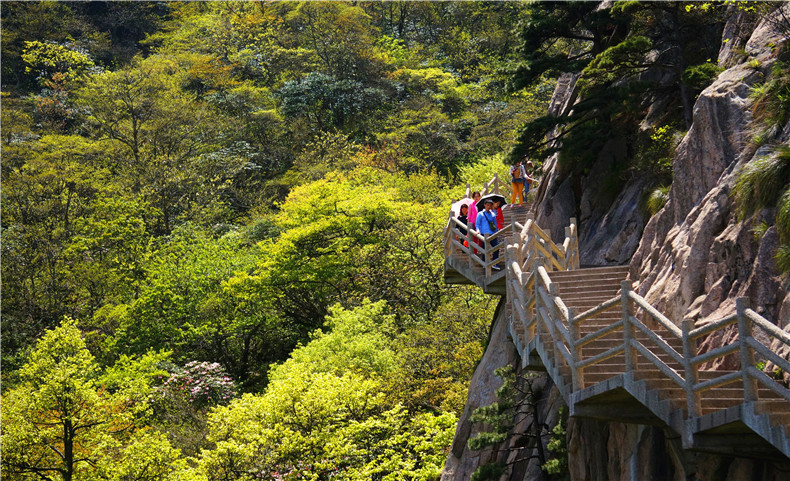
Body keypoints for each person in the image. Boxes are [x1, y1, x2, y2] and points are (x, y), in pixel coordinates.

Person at [476, 199, 501, 269]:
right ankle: (485, 263)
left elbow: (495, 225)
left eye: (490, 205)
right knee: (485, 249)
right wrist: (478, 231)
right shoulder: (480, 214)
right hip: (484, 234)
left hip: (492, 233)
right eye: (487, 205)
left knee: (496, 247)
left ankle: (494, 263)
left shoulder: (493, 214)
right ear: (484, 205)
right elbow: (477, 224)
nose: (489, 207)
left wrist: (496, 233)